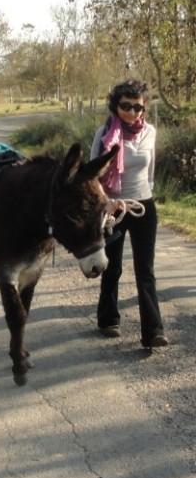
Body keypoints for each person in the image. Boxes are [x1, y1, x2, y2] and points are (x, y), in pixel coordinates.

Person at [91, 79, 168, 348]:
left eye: (138, 107)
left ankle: (153, 331)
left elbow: (151, 172)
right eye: (126, 106)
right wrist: (105, 204)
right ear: (116, 105)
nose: (133, 112)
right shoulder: (104, 133)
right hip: (113, 209)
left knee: (145, 270)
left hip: (143, 207)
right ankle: (108, 318)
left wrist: (147, 195)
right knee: (113, 266)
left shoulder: (151, 132)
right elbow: (92, 176)